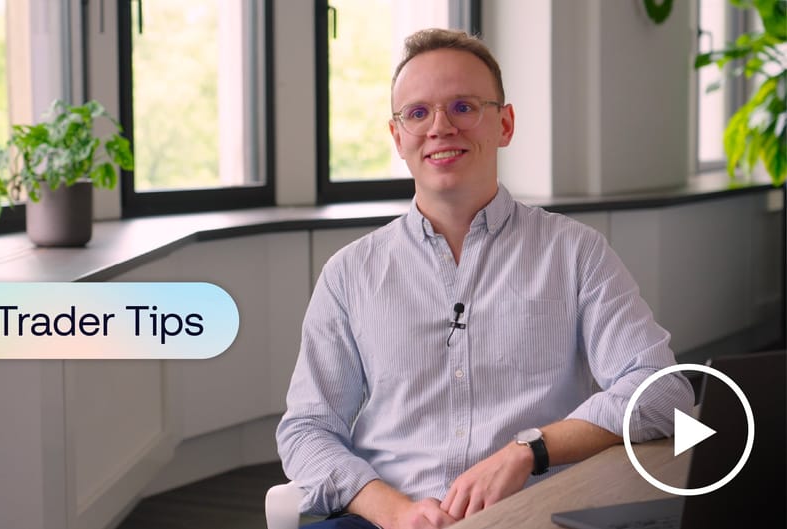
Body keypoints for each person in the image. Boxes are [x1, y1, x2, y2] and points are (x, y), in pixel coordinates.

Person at [276, 28, 694, 529]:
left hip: (536, 513)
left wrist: (529, 449)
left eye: (463, 107)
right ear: (397, 138)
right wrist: (393, 510)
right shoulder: (349, 275)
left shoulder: (575, 252)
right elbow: (307, 430)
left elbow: (663, 394)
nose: (440, 127)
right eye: (417, 113)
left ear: (505, 123)